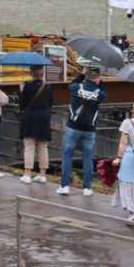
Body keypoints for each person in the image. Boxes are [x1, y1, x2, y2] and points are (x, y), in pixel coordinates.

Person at [57, 67, 106, 196]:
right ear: (97, 78)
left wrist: (81, 74)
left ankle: (65, 186)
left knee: (67, 156)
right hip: (89, 130)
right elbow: (103, 92)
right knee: (88, 159)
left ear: (86, 76)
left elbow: (71, 84)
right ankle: (87, 188)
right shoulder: (99, 93)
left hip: (72, 127)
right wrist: (99, 82)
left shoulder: (77, 88)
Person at [19, 66, 52, 184]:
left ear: (32, 74)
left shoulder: (27, 86)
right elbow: (50, 103)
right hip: (44, 118)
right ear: (42, 74)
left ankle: (27, 174)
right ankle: (42, 175)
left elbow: (22, 104)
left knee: (29, 145)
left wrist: (22, 90)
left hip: (31, 117)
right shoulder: (48, 86)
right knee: (43, 146)